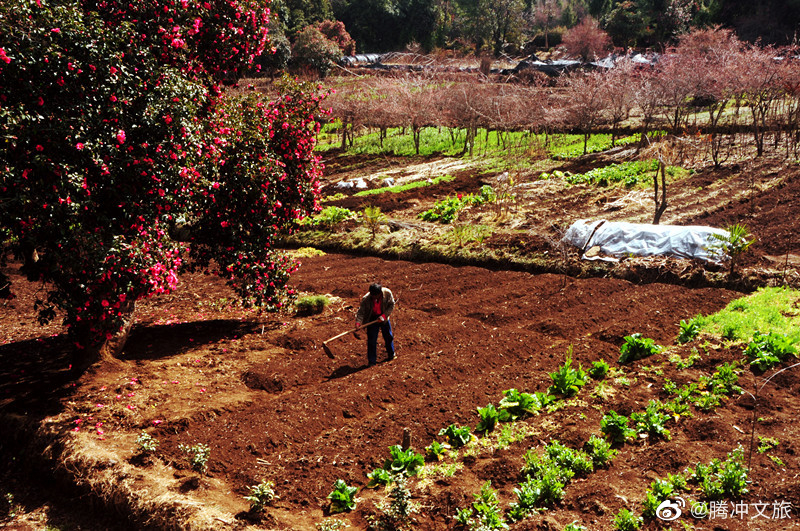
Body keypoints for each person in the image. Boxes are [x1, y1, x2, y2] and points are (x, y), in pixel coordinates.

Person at [354, 282, 396, 366]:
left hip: (384, 317)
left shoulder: (387, 293)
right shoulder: (366, 298)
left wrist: (384, 316)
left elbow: (391, 305)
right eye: (372, 295)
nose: (373, 297)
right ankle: (372, 361)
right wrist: (358, 322)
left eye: (375, 295)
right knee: (372, 341)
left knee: (388, 336)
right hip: (372, 319)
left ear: (379, 293)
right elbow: (361, 312)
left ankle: (391, 354)